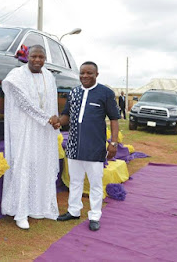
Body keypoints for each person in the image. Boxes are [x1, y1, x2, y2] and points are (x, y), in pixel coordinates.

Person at [50, 61, 120, 231]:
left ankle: (94, 216)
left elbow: (114, 119)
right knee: (75, 181)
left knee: (95, 184)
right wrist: (58, 121)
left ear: (97, 74)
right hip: (74, 146)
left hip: (95, 147)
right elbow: (67, 115)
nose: (85, 76)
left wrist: (113, 142)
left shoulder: (105, 93)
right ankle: (73, 211)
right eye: (82, 73)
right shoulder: (74, 92)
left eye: (89, 73)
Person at [1, 45, 60, 229]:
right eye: (34, 56)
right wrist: (46, 119)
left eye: (41, 57)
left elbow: (52, 103)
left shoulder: (49, 76)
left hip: (43, 131)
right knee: (23, 165)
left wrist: (55, 122)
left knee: (42, 165)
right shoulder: (16, 75)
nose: (37, 60)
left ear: (45, 59)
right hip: (25, 129)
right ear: (27, 56)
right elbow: (23, 103)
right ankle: (21, 212)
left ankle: (41, 207)